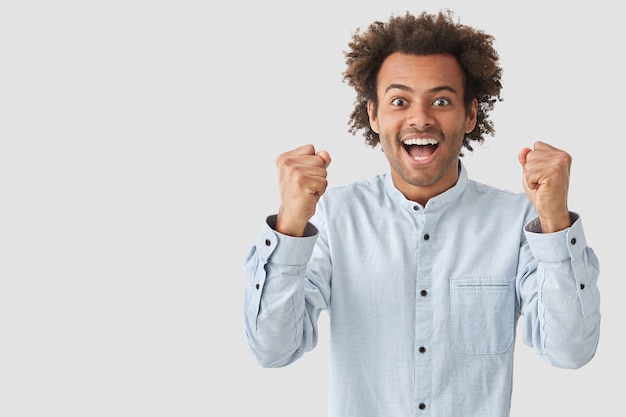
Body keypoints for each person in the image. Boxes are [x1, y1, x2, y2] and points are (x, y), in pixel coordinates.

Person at [243, 9, 601, 417]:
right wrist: (289, 225)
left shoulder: (518, 221)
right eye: (399, 101)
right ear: (374, 116)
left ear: (470, 115)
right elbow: (273, 349)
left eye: (441, 100)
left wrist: (555, 223)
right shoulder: (332, 217)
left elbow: (570, 351)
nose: (420, 118)